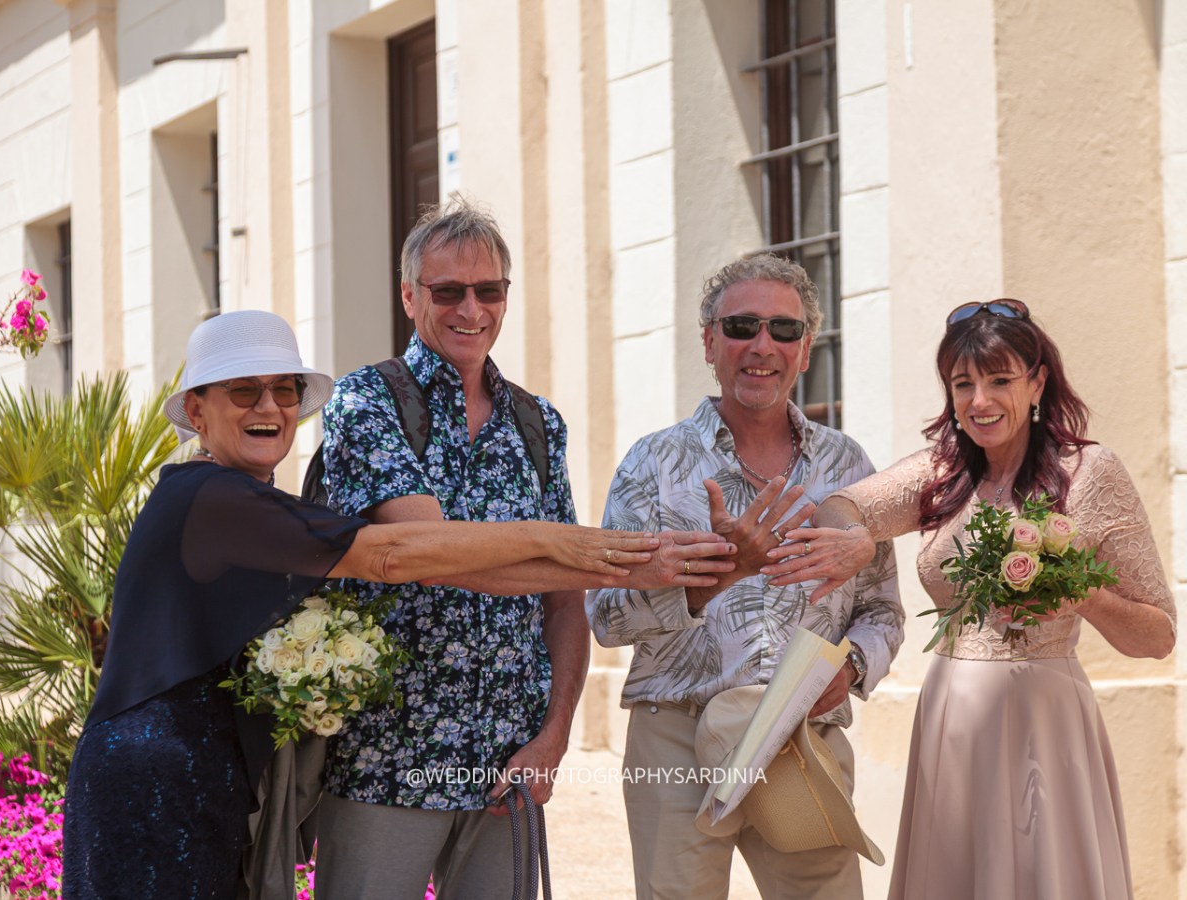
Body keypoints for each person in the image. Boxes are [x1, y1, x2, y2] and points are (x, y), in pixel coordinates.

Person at [59, 310, 698, 900]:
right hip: (156, 780)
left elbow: (460, 570)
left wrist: (627, 564)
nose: (269, 406)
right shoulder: (213, 496)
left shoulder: (253, 504)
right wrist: (553, 535)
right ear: (197, 412)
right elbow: (393, 557)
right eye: (244, 390)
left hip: (205, 776)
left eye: (284, 390)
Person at [315, 198, 731, 898]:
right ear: (410, 295)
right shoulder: (366, 403)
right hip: (387, 755)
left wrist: (555, 735)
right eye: (449, 291)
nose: (470, 309)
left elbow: (563, 599)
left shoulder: (538, 423)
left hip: (509, 760)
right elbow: (434, 551)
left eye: (489, 290)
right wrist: (612, 554)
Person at [767, 299, 1176, 899]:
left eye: (1000, 380)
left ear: (1037, 383)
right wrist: (854, 537)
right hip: (953, 720)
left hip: (1047, 719)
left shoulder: (1091, 473)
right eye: (963, 384)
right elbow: (846, 504)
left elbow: (1159, 636)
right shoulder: (941, 472)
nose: (979, 401)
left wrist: (1081, 593)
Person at [585, 254, 905, 900]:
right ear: (709, 343)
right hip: (675, 737)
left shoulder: (849, 467)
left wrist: (849, 670)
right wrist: (713, 581)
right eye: (741, 326)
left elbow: (885, 613)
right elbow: (604, 617)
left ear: (807, 348)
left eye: (784, 330)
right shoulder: (654, 463)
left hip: (802, 744)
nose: (763, 346)